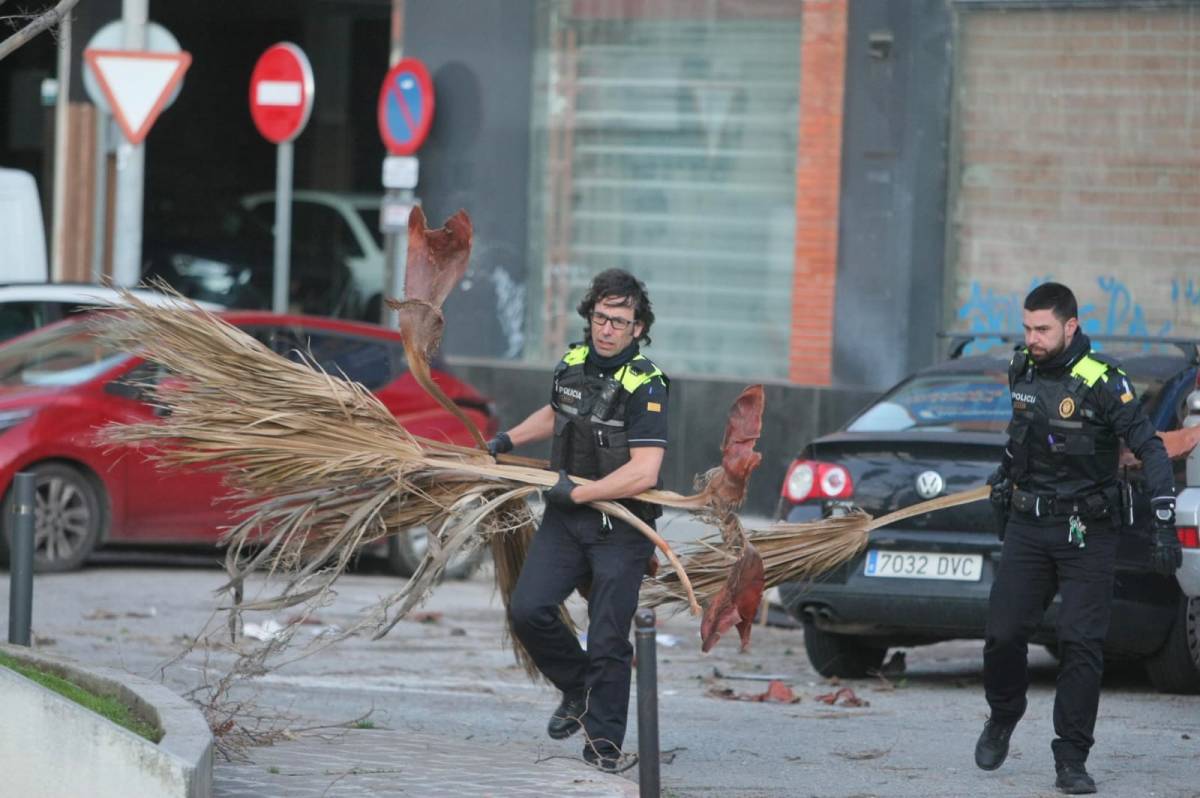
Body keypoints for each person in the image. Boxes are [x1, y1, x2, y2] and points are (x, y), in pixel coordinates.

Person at [977, 282, 1179, 795]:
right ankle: (1004, 713)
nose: (1032, 338)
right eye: (1026, 328)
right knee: (1002, 634)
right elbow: (1022, 433)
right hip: (1028, 523)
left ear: (1070, 327)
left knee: (1081, 643)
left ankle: (1071, 757)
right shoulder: (1020, 367)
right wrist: (1003, 475)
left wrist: (1164, 521)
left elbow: (1150, 450)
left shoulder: (1104, 381)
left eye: (1042, 329)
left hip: (1087, 529)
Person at [487, 269, 669, 773]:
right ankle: (577, 687)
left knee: (609, 636)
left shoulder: (647, 384)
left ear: (638, 328)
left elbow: (645, 470)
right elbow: (555, 413)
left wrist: (582, 491)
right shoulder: (571, 361)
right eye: (601, 317)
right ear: (590, 315)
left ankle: (603, 744)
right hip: (567, 519)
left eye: (620, 321)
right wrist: (507, 440)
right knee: (528, 610)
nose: (607, 328)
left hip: (621, 526)